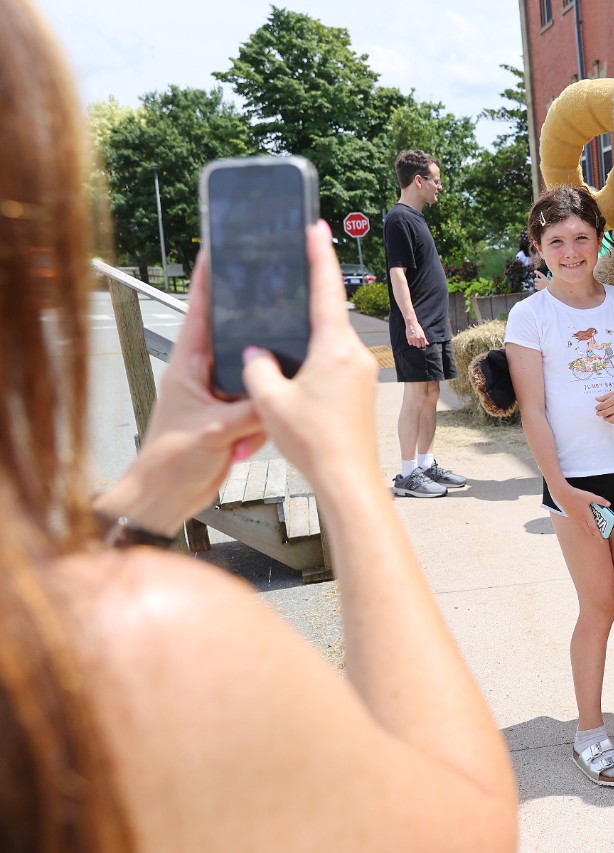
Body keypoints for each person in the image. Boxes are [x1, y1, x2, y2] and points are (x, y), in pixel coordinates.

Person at [0, 1, 519, 846]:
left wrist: (150, 490)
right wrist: (345, 474)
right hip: (413, 338)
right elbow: (466, 821)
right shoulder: (141, 636)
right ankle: (407, 467)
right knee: (415, 404)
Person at [504, 187, 614, 787]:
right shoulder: (531, 317)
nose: (570, 251)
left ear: (600, 239)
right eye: (556, 241)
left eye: (581, 237)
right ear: (538, 247)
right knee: (597, 608)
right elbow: (533, 412)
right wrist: (563, 491)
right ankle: (590, 733)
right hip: (574, 484)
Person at [384, 150, 468, 498]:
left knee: (432, 393)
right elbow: (397, 274)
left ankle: (426, 463)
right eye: (436, 179)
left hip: (433, 325)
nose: (439, 186)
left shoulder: (416, 219)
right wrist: (411, 322)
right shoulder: (398, 219)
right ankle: (407, 475)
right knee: (416, 395)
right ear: (418, 181)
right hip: (417, 326)